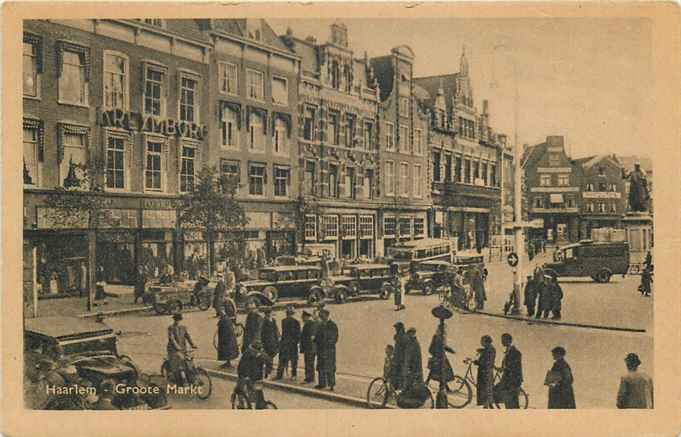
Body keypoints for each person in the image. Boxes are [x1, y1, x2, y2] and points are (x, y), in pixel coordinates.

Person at [167, 313, 197, 385]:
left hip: (183, 348)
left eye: (179, 320)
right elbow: (172, 339)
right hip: (173, 349)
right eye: (176, 320)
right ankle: (182, 380)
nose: (177, 321)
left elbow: (188, 336)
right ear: (174, 320)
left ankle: (191, 378)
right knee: (180, 363)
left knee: (189, 362)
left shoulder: (183, 327)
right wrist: (177, 347)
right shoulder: (171, 328)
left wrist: (192, 344)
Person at [494, 333, 523, 409]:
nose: (502, 342)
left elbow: (514, 368)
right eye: (502, 340)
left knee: (512, 404)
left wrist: (503, 369)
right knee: (509, 402)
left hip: (512, 381)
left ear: (509, 341)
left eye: (503, 340)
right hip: (508, 380)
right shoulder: (508, 351)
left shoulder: (515, 352)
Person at [314, 309, 339, 390]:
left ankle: (331, 385)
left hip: (329, 350)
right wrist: (314, 339)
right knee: (321, 367)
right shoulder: (320, 325)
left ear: (327, 315)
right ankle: (322, 384)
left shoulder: (332, 325)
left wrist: (327, 343)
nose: (321, 316)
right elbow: (317, 336)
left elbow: (335, 338)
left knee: (330, 367)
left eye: (322, 315)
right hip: (321, 349)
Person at [425, 323, 455, 389]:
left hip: (442, 357)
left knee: (443, 372)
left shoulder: (442, 336)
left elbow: (444, 346)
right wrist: (436, 354)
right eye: (442, 329)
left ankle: (445, 386)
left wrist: (450, 350)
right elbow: (431, 348)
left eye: (444, 329)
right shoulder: (436, 336)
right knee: (437, 371)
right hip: (437, 356)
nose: (444, 330)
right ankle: (427, 383)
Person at [276, 305, 301, 380]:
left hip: (285, 343)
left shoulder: (283, 321)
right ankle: (293, 375)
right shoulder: (296, 322)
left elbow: (284, 333)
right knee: (293, 360)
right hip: (292, 344)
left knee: (283, 360)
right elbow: (298, 334)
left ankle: (280, 375)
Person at [473, 335, 496, 408]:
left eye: (482, 341)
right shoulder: (490, 348)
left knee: (485, 388)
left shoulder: (489, 349)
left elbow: (486, 361)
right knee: (487, 388)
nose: (481, 342)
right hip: (486, 371)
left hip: (485, 372)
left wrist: (477, 362)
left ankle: (486, 405)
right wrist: (481, 350)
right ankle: (489, 404)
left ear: (486, 342)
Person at [300, 310, 318, 384]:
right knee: (310, 363)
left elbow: (311, 337)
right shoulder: (311, 323)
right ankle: (311, 378)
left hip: (309, 347)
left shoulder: (309, 324)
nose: (302, 319)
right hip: (311, 348)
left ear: (306, 317)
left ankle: (309, 378)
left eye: (303, 317)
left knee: (308, 363)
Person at [261, 307, 280, 378]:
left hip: (273, 339)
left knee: (273, 353)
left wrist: (278, 336)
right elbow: (262, 332)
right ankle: (268, 369)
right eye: (269, 313)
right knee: (268, 354)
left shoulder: (273, 320)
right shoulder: (264, 321)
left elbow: (276, 329)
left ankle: (269, 366)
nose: (271, 314)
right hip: (267, 340)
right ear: (267, 314)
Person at [390, 322, 408, 390]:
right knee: (397, 377)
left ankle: (396, 391)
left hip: (399, 361)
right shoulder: (401, 336)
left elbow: (399, 350)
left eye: (396, 328)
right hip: (399, 360)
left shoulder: (401, 337)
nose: (396, 330)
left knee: (397, 376)